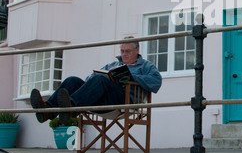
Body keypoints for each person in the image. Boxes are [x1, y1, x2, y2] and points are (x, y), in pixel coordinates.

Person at [30, 36, 162, 125]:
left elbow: (156, 81)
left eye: (127, 51)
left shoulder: (146, 66)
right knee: (72, 80)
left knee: (100, 79)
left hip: (123, 101)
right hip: (100, 98)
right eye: (122, 51)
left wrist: (131, 77)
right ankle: (48, 111)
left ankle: (72, 108)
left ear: (137, 49)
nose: (124, 54)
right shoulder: (113, 65)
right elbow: (90, 79)